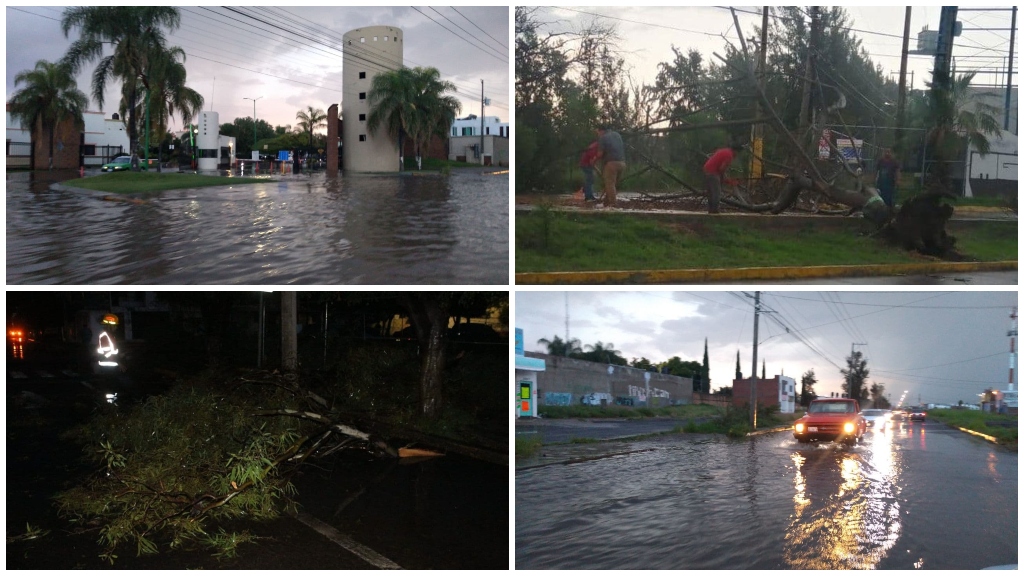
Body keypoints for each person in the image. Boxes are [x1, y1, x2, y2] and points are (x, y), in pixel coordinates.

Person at [703, 143, 744, 214]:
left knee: (711, 193)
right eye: (738, 153)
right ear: (736, 151)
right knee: (717, 193)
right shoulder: (729, 156)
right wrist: (727, 180)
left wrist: (725, 179)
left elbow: (720, 168)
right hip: (713, 172)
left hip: (706, 169)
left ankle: (710, 211)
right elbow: (722, 169)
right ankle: (715, 211)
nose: (737, 155)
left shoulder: (724, 151)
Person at [596, 124, 626, 207]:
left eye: (597, 132)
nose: (598, 134)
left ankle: (613, 204)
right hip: (622, 163)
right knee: (613, 184)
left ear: (601, 131)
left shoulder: (603, 138)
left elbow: (600, 154)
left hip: (611, 163)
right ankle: (606, 203)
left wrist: (594, 159)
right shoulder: (617, 135)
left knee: (609, 184)